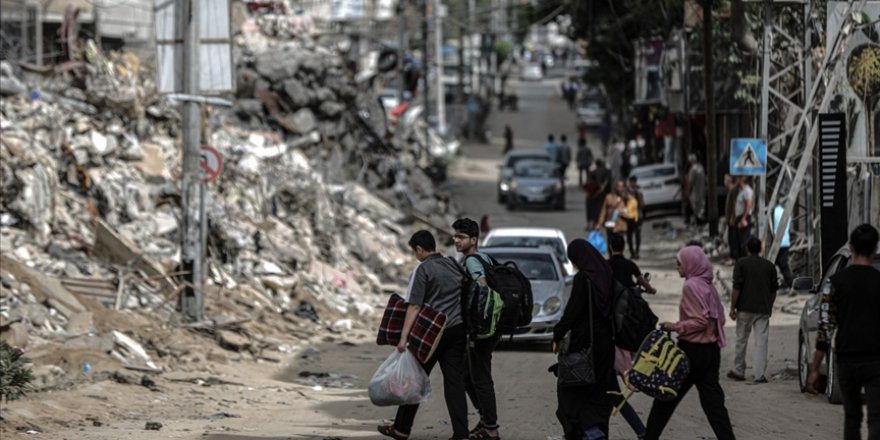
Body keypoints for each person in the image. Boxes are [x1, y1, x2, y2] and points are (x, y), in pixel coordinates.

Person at [379, 230, 470, 440]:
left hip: (432, 334)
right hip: (457, 330)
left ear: (419, 249)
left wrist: (403, 338)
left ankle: (401, 429)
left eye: (415, 251)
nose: (415, 255)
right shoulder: (452, 264)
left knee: (413, 379)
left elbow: (414, 307)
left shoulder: (423, 270)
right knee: (454, 383)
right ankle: (461, 433)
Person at [645, 245, 736, 440]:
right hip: (711, 352)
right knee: (714, 405)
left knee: (665, 398)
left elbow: (700, 321)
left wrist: (675, 326)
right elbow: (718, 318)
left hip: (692, 352)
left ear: (690, 264)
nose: (678, 267)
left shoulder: (691, 286)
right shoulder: (708, 285)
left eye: (680, 263)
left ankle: (649, 437)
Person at [808, 224, 880, 440]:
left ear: (851, 248)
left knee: (852, 417)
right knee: (876, 418)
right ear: (875, 249)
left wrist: (814, 368)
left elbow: (825, 328)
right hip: (877, 360)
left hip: (847, 360)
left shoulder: (835, 283)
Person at [552, 239, 616, 440]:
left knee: (572, 388)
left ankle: (585, 432)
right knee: (599, 390)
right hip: (606, 342)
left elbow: (572, 311)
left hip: (585, 343)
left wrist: (557, 334)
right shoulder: (607, 273)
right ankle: (599, 431)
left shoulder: (583, 279)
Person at [452, 218, 501, 440]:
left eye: (461, 237)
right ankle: (485, 418)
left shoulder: (472, 261)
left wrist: (474, 322)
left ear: (473, 239)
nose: (456, 241)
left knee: (480, 376)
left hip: (480, 327)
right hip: (489, 326)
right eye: (455, 236)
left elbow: (482, 289)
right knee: (466, 373)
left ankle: (491, 428)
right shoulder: (486, 258)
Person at [728, 237, 778, 383]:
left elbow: (736, 288)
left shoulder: (741, 264)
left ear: (747, 249)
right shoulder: (769, 266)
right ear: (760, 249)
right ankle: (759, 374)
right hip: (762, 309)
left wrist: (732, 307)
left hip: (744, 308)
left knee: (741, 339)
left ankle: (739, 370)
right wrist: (769, 305)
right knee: (761, 341)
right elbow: (773, 290)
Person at [772, 201, 793, 288]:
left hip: (778, 241)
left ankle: (790, 282)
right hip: (785, 241)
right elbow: (790, 228)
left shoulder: (775, 211)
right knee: (780, 262)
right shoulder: (787, 212)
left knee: (781, 263)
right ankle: (788, 281)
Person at [733, 176, 754, 260]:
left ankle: (745, 260)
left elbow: (748, 205)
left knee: (744, 241)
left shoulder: (747, 191)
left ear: (741, 180)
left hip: (744, 217)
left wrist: (744, 218)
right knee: (738, 240)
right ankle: (741, 260)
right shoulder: (742, 191)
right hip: (740, 217)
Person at [585, 160, 609, 230]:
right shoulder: (604, 172)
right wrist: (602, 188)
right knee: (598, 209)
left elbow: (585, 185)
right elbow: (606, 181)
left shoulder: (593, 172)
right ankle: (597, 223)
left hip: (591, 196)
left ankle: (591, 224)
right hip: (600, 194)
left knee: (590, 211)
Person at [723, 174, 740, 265]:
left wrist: (732, 217)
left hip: (732, 219)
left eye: (725, 180)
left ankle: (734, 258)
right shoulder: (731, 190)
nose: (724, 182)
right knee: (731, 239)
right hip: (730, 218)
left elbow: (734, 205)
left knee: (733, 239)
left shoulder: (733, 190)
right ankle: (732, 257)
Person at [627, 176, 645, 259]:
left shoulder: (639, 192)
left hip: (637, 216)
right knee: (629, 235)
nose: (633, 184)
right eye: (631, 182)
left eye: (634, 182)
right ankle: (632, 252)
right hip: (629, 216)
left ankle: (637, 252)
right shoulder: (626, 192)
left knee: (637, 234)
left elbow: (642, 205)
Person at [686, 154, 707, 225]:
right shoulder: (701, 167)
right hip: (701, 192)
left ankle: (695, 222)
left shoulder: (693, 169)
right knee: (701, 209)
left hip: (695, 193)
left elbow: (690, 182)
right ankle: (700, 222)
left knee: (694, 208)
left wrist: (688, 192)